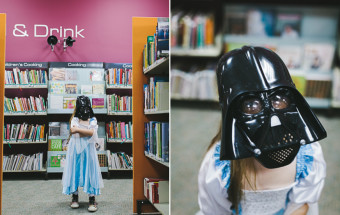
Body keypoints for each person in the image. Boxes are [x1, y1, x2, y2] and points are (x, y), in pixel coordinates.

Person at [198, 46, 327, 215]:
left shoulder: (308, 154)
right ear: (232, 111)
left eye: (279, 100)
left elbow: (302, 203)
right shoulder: (218, 168)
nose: (273, 121)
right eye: (251, 106)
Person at [62, 95, 104, 212]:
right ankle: (74, 197)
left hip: (88, 150)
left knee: (90, 171)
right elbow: (75, 133)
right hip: (75, 149)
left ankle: (92, 198)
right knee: (74, 170)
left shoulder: (93, 119)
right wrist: (87, 132)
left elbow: (91, 132)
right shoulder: (74, 119)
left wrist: (80, 130)